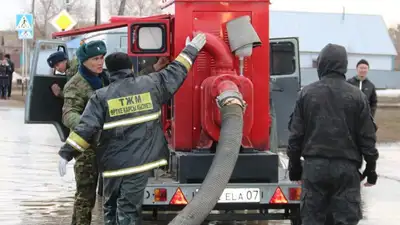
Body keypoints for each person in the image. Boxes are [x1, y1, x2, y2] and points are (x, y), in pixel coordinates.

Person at [57, 33, 206, 224]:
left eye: (102, 58)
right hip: (129, 160)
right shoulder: (148, 85)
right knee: (107, 205)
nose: (99, 62)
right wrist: (190, 50)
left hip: (111, 162)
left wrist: (66, 152)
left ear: (110, 71)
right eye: (95, 59)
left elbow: (87, 125)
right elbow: (175, 72)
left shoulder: (102, 93)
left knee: (111, 209)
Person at [286, 43, 379, 225]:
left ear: (321, 64)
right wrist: (371, 168)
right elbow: (367, 137)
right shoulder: (357, 96)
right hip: (346, 170)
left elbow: (296, 136)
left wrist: (295, 168)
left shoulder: (306, 94)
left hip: (314, 169)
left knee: (312, 219)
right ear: (343, 65)